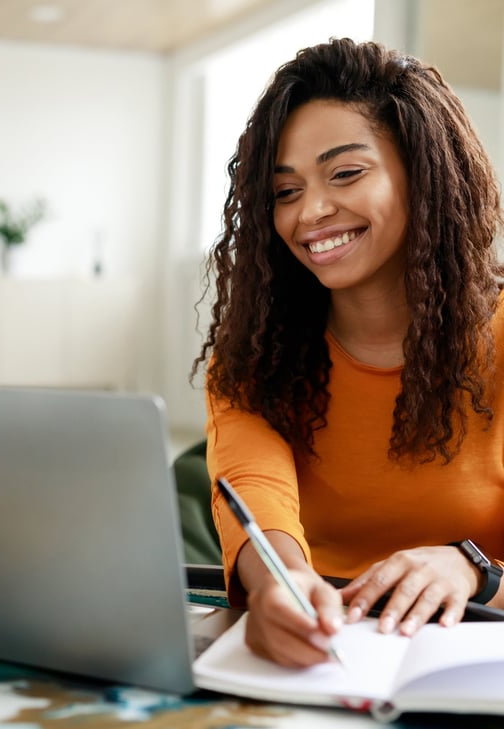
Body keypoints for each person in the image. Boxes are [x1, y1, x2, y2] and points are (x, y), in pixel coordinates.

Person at [192, 37, 504, 668]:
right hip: (322, 651)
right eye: (285, 191)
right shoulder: (255, 352)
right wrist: (277, 581)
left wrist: (476, 570)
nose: (311, 212)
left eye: (346, 173)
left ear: (425, 172)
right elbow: (256, 489)